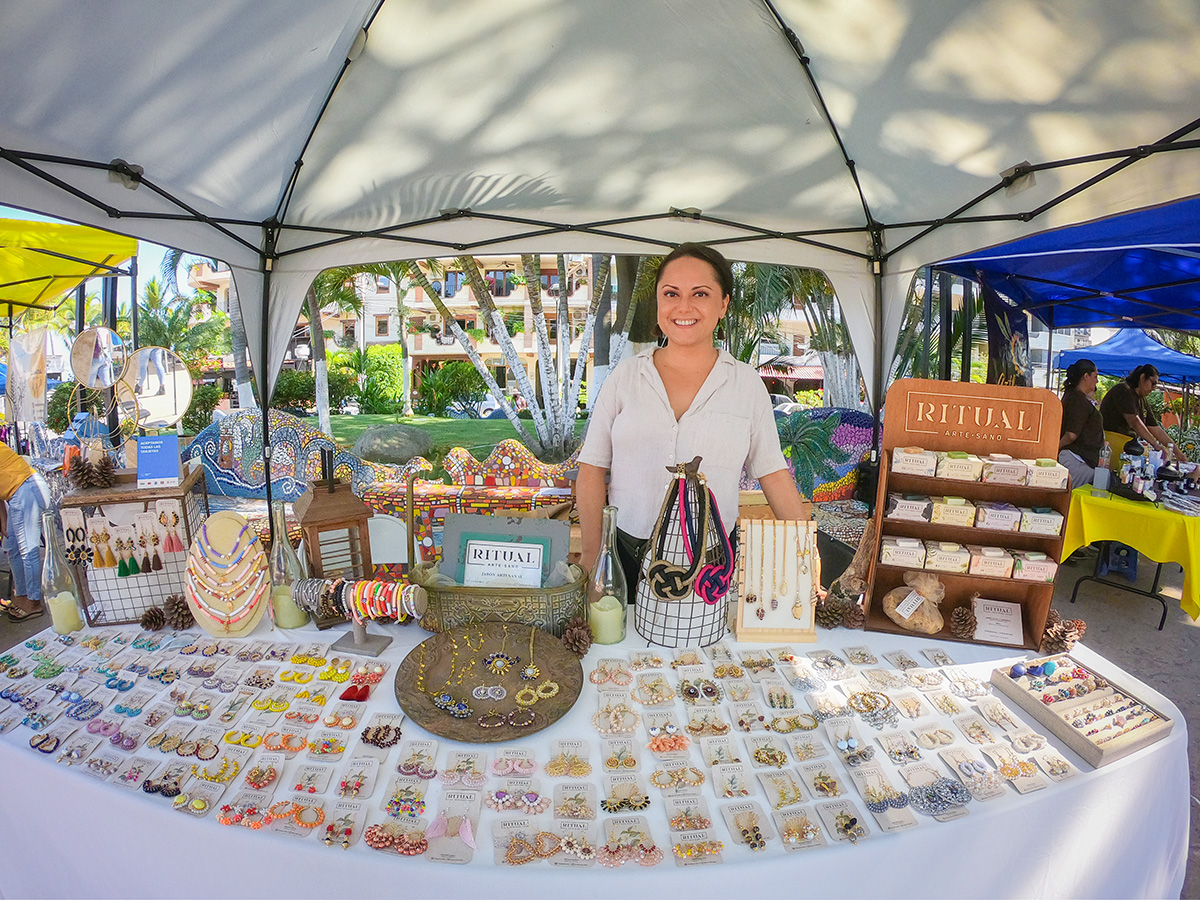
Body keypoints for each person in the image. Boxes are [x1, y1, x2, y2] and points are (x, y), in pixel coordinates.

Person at [576, 243, 807, 590]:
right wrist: (594, 556)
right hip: (626, 557)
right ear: (658, 302)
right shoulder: (624, 378)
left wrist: (806, 556)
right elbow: (592, 469)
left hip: (712, 566)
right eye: (671, 293)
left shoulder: (746, 385)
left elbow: (772, 473)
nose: (683, 307)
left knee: (708, 646)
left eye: (700, 293)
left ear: (724, 304)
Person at [0, 442, 50, 621]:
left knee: (28, 550)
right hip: (17, 494)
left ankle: (34, 602)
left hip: (26, 489)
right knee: (12, 548)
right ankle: (21, 595)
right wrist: (3, 520)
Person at [1098, 363, 1185, 462]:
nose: (1153, 388)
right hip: (1110, 446)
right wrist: (1155, 444)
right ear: (1143, 378)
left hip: (1130, 448)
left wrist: (1177, 453)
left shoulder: (1142, 400)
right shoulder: (1123, 390)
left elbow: (1155, 428)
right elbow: (1134, 421)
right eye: (1153, 383)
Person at [1058, 359, 1103, 487]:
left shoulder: (1074, 396)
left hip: (1079, 459)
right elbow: (1071, 434)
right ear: (1086, 376)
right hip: (1075, 460)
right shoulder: (1077, 399)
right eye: (1095, 376)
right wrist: (1055, 448)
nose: (1097, 381)